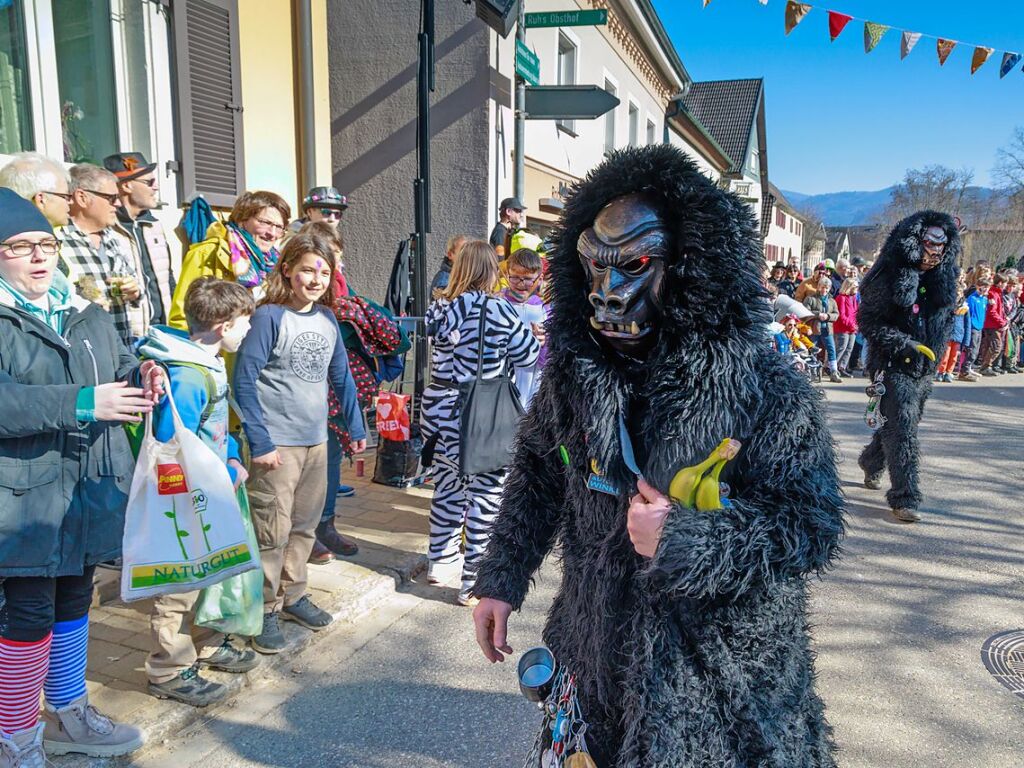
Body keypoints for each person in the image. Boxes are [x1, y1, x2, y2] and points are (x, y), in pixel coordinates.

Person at [471, 146, 843, 767]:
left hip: (718, 675)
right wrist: (502, 581)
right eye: (594, 269)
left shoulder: (763, 388)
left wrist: (686, 539)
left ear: (691, 268)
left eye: (635, 266)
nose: (608, 294)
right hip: (592, 649)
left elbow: (811, 525)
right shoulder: (574, 376)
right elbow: (536, 476)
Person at [0, 188, 163, 761]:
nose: (40, 257)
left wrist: (145, 370)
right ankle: (16, 737)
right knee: (27, 613)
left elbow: (117, 362)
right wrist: (84, 403)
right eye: (20, 247)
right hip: (25, 498)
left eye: (45, 244)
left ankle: (69, 714)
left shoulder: (84, 310)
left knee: (75, 598)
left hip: (88, 487)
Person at [233, 233, 366, 654]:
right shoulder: (269, 316)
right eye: (307, 269)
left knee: (306, 526)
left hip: (316, 442)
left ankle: (294, 595)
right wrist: (260, 440)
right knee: (272, 530)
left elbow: (341, 377)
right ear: (287, 269)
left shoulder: (327, 320)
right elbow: (244, 381)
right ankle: (265, 610)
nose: (315, 279)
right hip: (276, 446)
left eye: (324, 272)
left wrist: (357, 427)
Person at [137, 277, 261, 707]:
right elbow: (175, 442)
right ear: (224, 325)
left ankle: (207, 641)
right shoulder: (190, 376)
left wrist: (229, 457)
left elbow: (212, 426)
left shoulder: (204, 363)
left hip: (210, 486)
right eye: (246, 321)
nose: (249, 330)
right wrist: (201, 482)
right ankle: (168, 667)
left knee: (209, 569)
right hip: (188, 496)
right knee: (179, 580)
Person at [420, 240, 539, 606]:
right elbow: (529, 357)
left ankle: (439, 562)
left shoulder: (441, 307)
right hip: (483, 410)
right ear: (492, 271)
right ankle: (472, 580)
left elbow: (432, 339)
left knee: (447, 486)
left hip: (439, 408)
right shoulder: (501, 310)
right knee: (486, 494)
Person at [858, 213, 960, 523]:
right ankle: (905, 497)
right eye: (929, 244)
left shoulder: (944, 276)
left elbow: (946, 317)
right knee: (902, 429)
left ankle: (871, 461)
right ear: (915, 243)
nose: (935, 252)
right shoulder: (888, 274)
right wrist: (901, 342)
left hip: (925, 369)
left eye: (942, 246)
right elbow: (867, 320)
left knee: (902, 425)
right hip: (892, 364)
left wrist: (936, 350)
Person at [170, 190, 291, 329]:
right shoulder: (207, 253)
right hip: (221, 348)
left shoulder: (275, 261)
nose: (272, 233)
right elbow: (182, 317)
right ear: (242, 220)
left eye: (279, 227)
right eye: (265, 223)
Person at [58, 164, 141, 345]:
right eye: (111, 198)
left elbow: (132, 290)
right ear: (82, 197)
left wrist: (134, 291)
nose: (118, 204)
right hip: (88, 353)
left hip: (123, 348)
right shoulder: (58, 241)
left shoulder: (112, 237)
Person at [105, 152, 176, 332]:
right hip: (128, 332)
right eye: (149, 182)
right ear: (127, 185)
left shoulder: (154, 225)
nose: (156, 187)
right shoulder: (108, 228)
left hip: (161, 329)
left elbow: (167, 278)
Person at [500, 247, 548, 407]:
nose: (521, 284)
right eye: (515, 278)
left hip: (533, 390)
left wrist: (544, 344)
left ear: (539, 279)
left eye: (528, 279)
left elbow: (548, 360)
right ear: (507, 275)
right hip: (502, 388)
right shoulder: (497, 304)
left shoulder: (545, 311)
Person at [803, 275, 842, 382]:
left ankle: (833, 372)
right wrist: (817, 314)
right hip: (814, 328)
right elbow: (805, 312)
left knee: (831, 349)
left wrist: (828, 316)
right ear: (818, 287)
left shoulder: (832, 301)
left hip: (827, 329)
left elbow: (836, 314)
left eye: (827, 287)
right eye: (822, 287)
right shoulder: (810, 298)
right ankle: (812, 371)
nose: (824, 289)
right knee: (812, 349)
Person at [936, 279, 970, 383]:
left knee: (954, 356)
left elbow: (967, 324)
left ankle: (949, 372)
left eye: (959, 293)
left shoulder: (965, 308)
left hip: (958, 334)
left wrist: (966, 340)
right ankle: (941, 371)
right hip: (947, 334)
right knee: (945, 355)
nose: (957, 296)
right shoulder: (947, 306)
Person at [959, 275, 989, 381]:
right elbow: (968, 313)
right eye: (983, 286)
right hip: (973, 327)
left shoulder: (984, 299)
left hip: (980, 327)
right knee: (972, 349)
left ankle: (969, 367)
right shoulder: (972, 298)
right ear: (978, 286)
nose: (985, 289)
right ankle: (964, 371)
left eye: (987, 287)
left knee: (976, 349)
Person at [978, 274, 1008, 376]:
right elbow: (992, 312)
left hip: (995, 324)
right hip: (992, 325)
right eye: (1005, 283)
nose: (1005, 285)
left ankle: (985, 366)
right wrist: (1002, 322)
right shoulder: (992, 294)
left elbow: (1000, 310)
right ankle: (986, 366)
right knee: (996, 346)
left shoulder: (997, 294)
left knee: (989, 346)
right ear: (1000, 283)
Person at [833, 276, 859, 377]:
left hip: (852, 328)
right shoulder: (841, 298)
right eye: (855, 286)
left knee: (849, 348)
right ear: (849, 287)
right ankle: (832, 367)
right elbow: (842, 316)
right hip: (843, 328)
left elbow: (855, 313)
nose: (857, 289)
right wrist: (852, 325)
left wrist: (856, 324)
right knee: (841, 347)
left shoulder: (853, 298)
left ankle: (842, 367)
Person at [430, 234, 467, 298]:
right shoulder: (444, 280)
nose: (467, 256)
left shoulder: (459, 275)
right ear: (450, 255)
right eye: (462, 252)